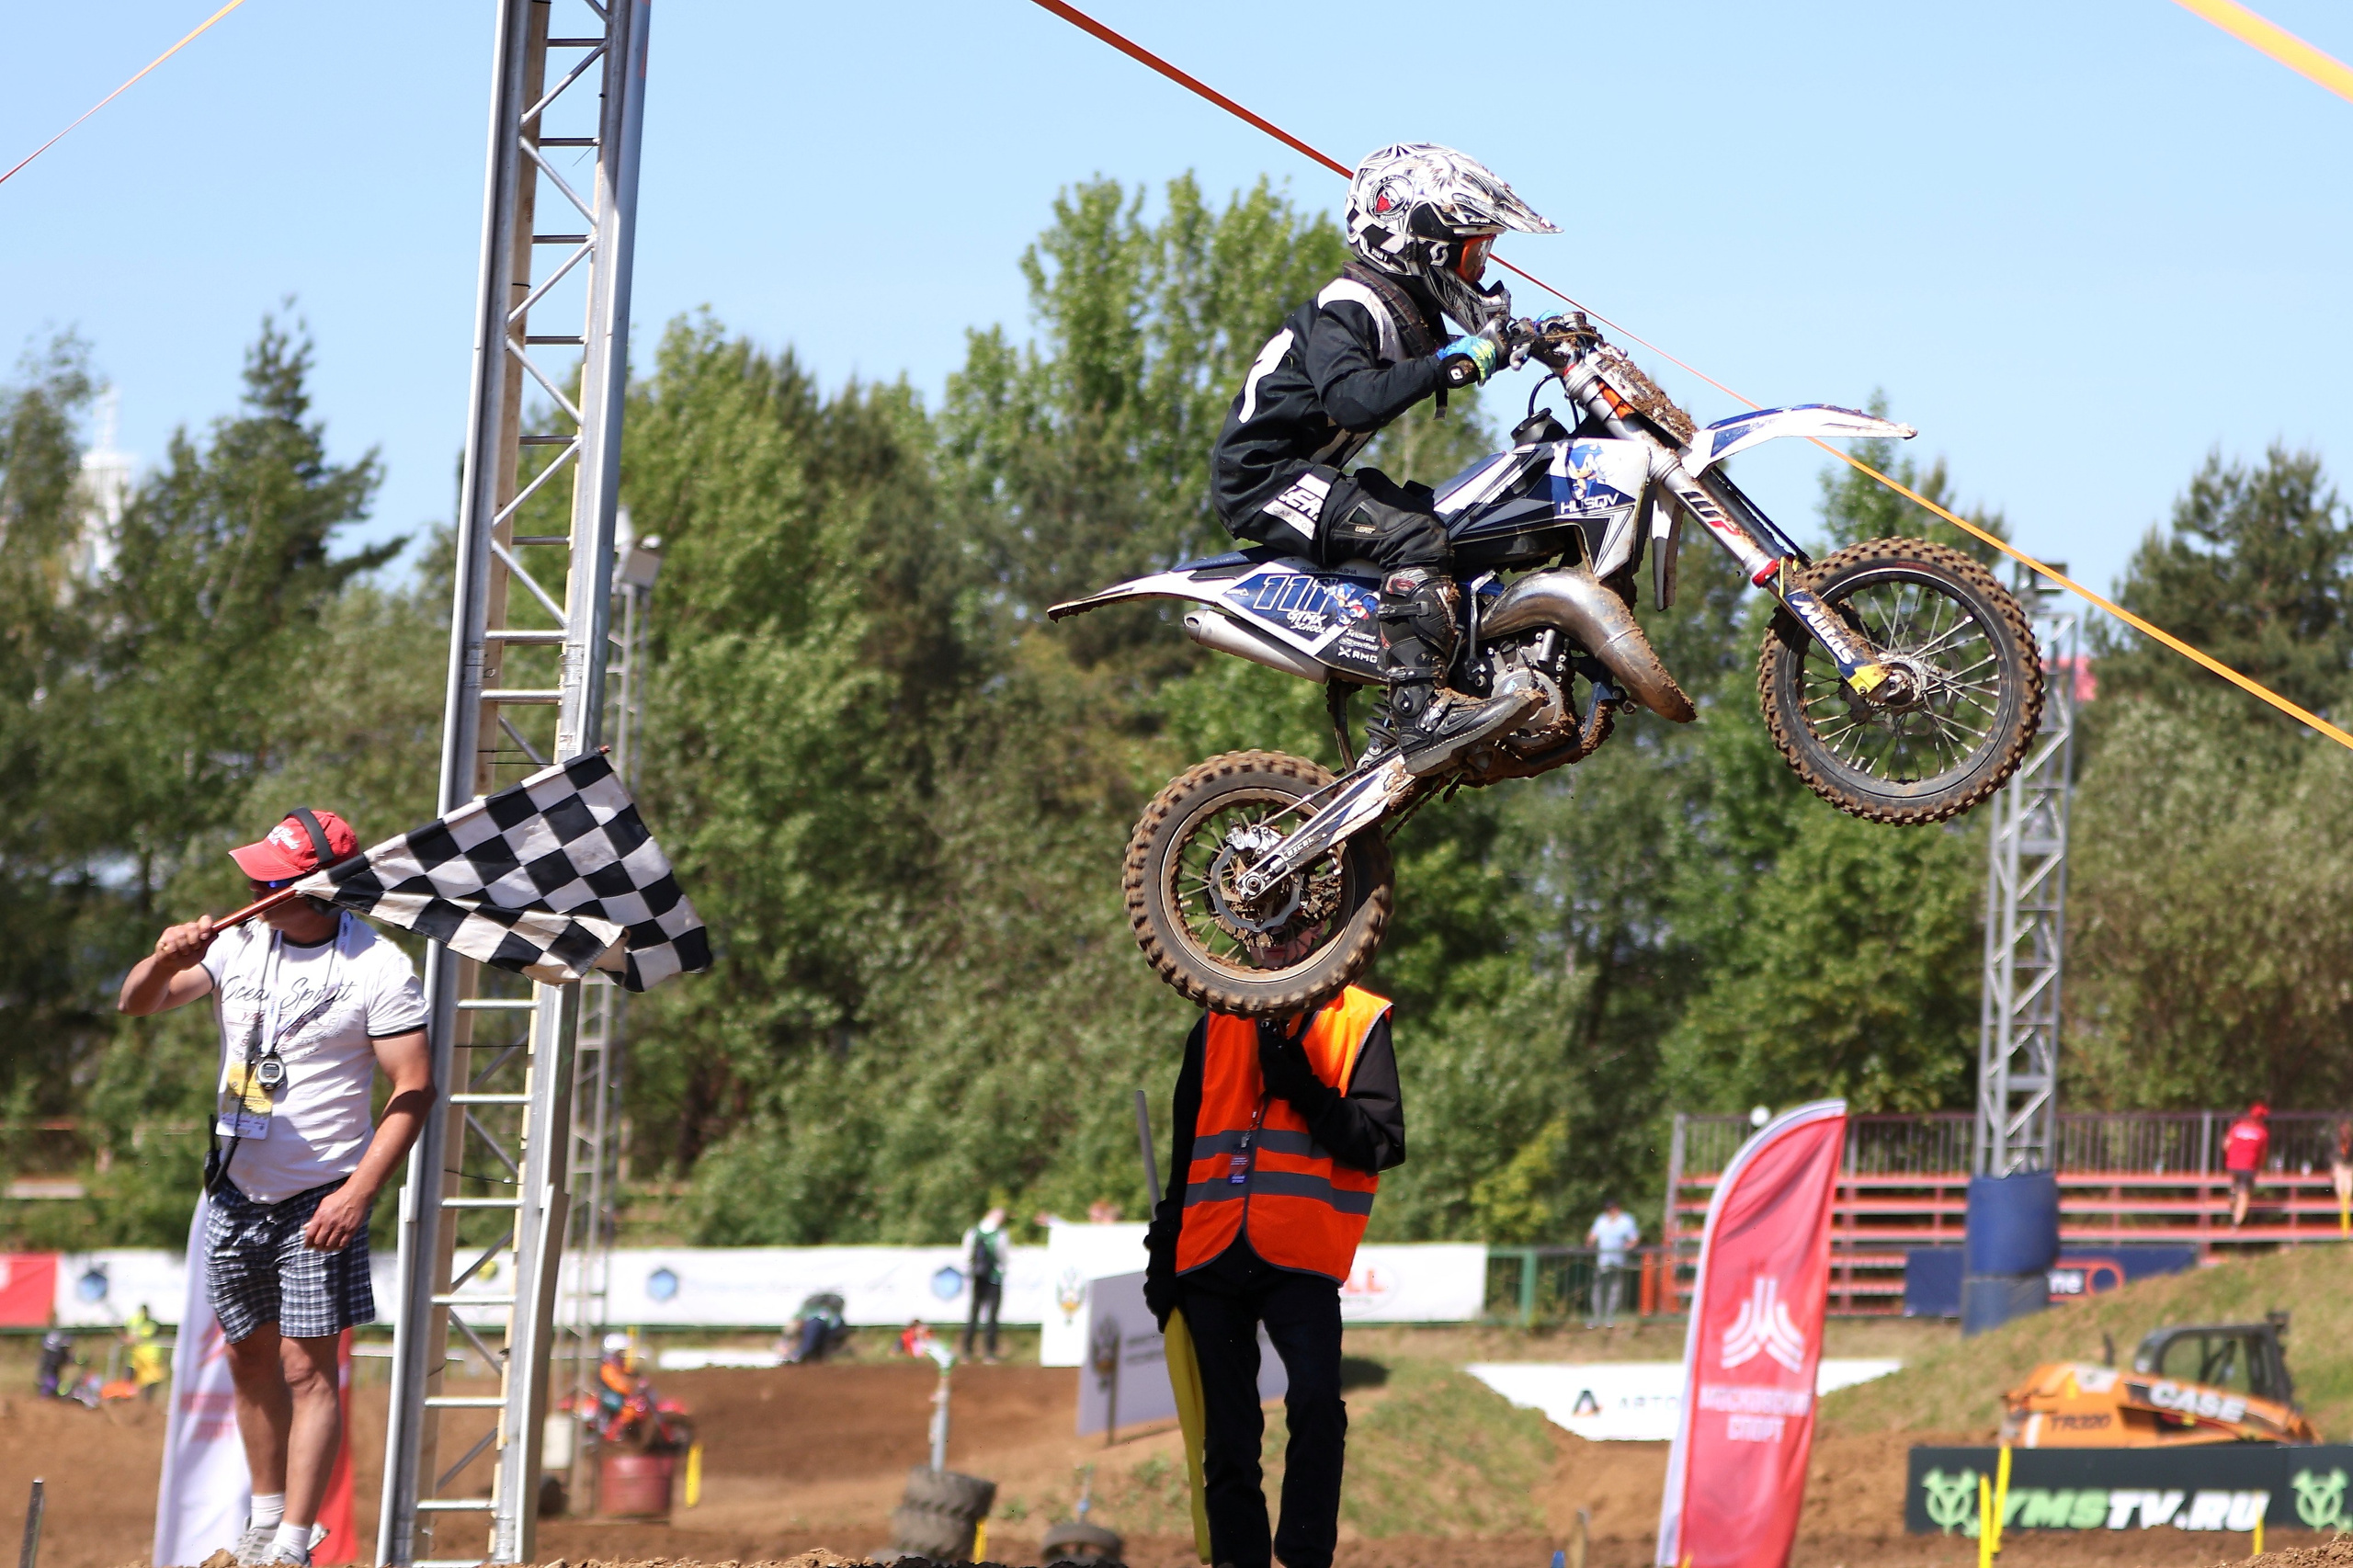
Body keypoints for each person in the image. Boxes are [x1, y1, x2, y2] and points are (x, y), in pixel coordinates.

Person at [118, 808, 435, 1566]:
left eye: (270, 879)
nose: (252, 887)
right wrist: (165, 958)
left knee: (306, 1365)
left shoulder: (378, 967)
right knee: (247, 1357)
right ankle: (263, 1519)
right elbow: (137, 1002)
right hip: (232, 1187)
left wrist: (358, 1193)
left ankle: (295, 1539)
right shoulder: (237, 943)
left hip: (320, 1197)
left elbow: (414, 1088)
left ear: (319, 890)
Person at [1209, 142, 1558, 775]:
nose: (1481, 271)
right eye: (1474, 253)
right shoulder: (1349, 306)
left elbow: (1459, 349)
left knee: (1462, 517)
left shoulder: (1399, 306)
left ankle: (1468, 667)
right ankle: (1417, 711)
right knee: (1414, 537)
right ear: (1421, 249)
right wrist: (1460, 361)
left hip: (1311, 474)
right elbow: (1353, 399)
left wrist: (1532, 340)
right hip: (1264, 480)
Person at [1143, 987, 1405, 1568]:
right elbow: (1185, 1152)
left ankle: (1306, 1555)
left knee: (1315, 1404)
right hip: (1211, 1250)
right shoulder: (1214, 1022)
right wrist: (1165, 1251)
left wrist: (1306, 1091)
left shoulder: (1359, 1020)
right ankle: (1240, 1560)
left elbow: (1380, 1143)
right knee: (1228, 1435)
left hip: (1301, 1253)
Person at [961, 1206, 1008, 1362]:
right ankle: (989, 1352)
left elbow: (967, 1255)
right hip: (993, 1276)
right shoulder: (1000, 1234)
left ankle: (967, 1351)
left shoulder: (973, 1231)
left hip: (977, 1276)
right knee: (992, 1314)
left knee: (974, 1312)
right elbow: (1003, 1256)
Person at [1586, 1200, 1640, 1328]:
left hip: (1618, 1261)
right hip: (1602, 1261)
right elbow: (1593, 1235)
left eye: (1612, 1209)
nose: (1610, 1212)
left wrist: (1629, 1247)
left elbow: (1634, 1238)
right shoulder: (1601, 1220)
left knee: (1615, 1290)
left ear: (1617, 1208)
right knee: (1598, 1289)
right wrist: (1589, 1243)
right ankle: (1596, 1317)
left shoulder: (1627, 1221)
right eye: (1607, 1209)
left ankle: (1610, 1318)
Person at [2223, 1102, 2270, 1229]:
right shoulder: (2262, 1132)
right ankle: (2235, 1224)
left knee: (2235, 1186)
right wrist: (2260, 1167)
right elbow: (2263, 1153)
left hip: (2232, 1164)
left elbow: (2226, 1145)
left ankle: (2232, 1194)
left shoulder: (2237, 1127)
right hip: (2249, 1166)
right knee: (2244, 1195)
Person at [2332, 1119, 2353, 1233]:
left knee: (2348, 1189)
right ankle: (2344, 1229)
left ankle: (2345, 1229)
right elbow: (2333, 1157)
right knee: (2341, 1187)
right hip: (2339, 1167)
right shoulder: (2336, 1143)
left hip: (2350, 1168)